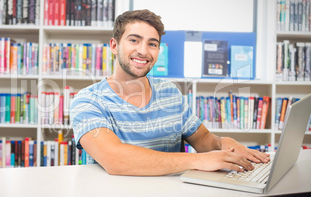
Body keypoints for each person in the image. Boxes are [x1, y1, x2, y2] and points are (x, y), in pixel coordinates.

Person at [70, 9, 270, 176]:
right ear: (114, 46)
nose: (143, 51)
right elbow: (115, 159)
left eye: (152, 44)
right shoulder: (87, 100)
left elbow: (201, 139)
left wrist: (222, 144)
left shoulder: (169, 92)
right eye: (134, 40)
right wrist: (198, 160)